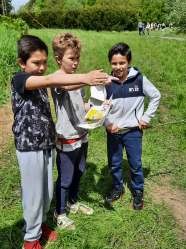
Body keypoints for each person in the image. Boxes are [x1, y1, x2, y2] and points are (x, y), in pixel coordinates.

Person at [11, 34, 112, 249]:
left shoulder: (39, 80)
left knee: (46, 194)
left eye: (43, 62)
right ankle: (30, 241)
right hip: (29, 148)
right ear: (22, 63)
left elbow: (62, 86)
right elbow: (51, 80)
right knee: (34, 195)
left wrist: (98, 104)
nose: (41, 68)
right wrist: (87, 77)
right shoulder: (20, 79)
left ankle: (38, 228)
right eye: (36, 63)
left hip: (46, 144)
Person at [104, 42, 161, 210]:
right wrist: (107, 123)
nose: (118, 67)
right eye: (114, 63)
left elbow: (156, 96)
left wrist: (146, 118)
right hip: (113, 132)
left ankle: (137, 191)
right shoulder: (106, 83)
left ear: (129, 62)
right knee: (114, 163)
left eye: (122, 63)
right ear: (110, 63)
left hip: (133, 132)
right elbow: (99, 107)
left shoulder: (139, 79)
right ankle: (118, 188)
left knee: (135, 164)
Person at [51, 33, 97, 230]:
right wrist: (87, 79)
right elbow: (68, 85)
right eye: (71, 58)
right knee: (66, 177)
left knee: (79, 171)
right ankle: (59, 213)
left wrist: (98, 107)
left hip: (82, 133)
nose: (76, 63)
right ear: (59, 59)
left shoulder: (77, 79)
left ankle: (72, 201)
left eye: (77, 58)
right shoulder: (57, 79)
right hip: (66, 137)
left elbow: (81, 105)